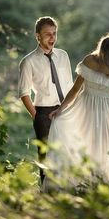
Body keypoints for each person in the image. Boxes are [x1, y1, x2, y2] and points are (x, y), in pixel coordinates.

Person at [44, 33, 109, 189]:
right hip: (85, 108)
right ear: (102, 49)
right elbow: (75, 90)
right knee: (85, 146)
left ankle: (100, 185)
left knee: (104, 148)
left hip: (107, 112)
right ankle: (84, 184)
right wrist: (60, 109)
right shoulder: (90, 61)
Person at [18, 16, 73, 184]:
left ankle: (68, 189)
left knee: (68, 152)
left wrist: (71, 108)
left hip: (65, 109)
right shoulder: (28, 61)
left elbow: (70, 85)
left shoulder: (63, 56)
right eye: (47, 34)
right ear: (38, 36)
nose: (52, 38)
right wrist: (37, 116)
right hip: (44, 112)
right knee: (46, 157)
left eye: (54, 33)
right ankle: (45, 192)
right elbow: (24, 93)